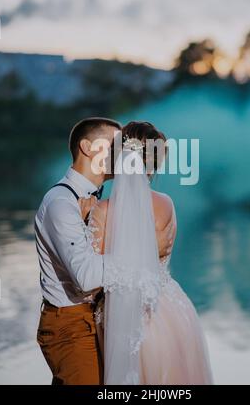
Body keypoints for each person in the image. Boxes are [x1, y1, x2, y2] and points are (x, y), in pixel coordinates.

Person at [35, 117, 175, 385]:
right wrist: (143, 250)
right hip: (72, 326)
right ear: (88, 148)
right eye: (115, 145)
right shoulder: (62, 204)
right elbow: (86, 277)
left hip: (97, 320)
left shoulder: (98, 202)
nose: (124, 152)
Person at [90, 121, 213, 385]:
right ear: (153, 164)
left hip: (128, 323)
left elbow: (93, 279)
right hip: (173, 313)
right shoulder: (167, 204)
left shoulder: (101, 211)